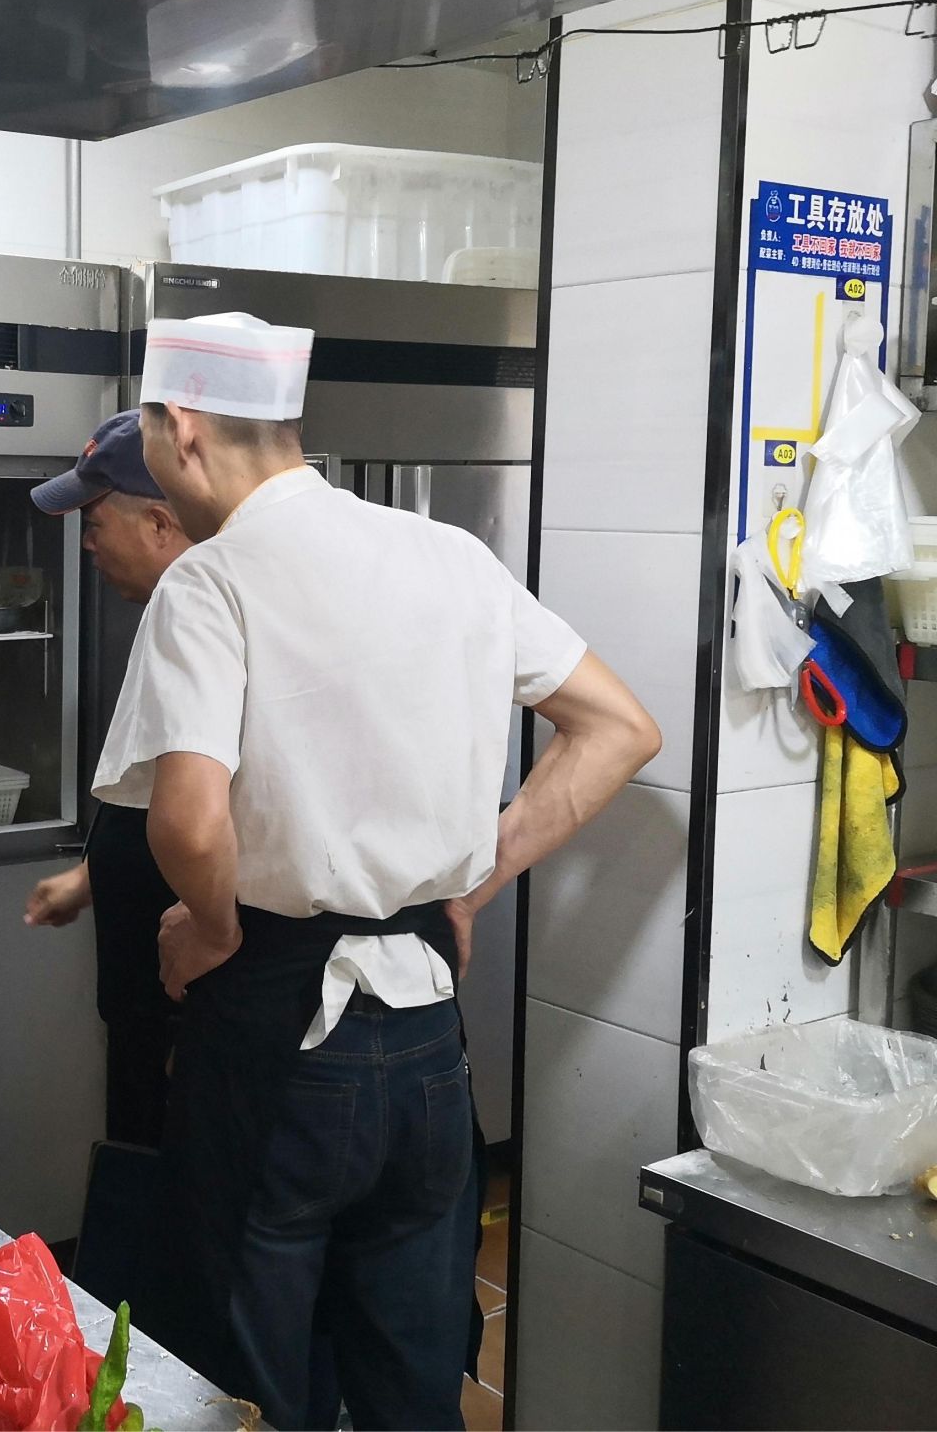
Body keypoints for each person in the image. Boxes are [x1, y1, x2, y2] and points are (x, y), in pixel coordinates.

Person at [94, 313, 661, 1430]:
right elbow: (618, 729)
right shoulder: (449, 555)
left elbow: (190, 824)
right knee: (413, 1379)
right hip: (426, 1048)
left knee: (252, 1383)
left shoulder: (211, 581)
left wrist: (209, 928)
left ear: (180, 428)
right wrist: (468, 885)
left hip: (274, 1033)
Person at [22, 411, 192, 1148]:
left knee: (165, 1178)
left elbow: (218, 817)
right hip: (144, 1000)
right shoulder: (168, 612)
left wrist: (211, 927)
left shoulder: (201, 614)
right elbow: (154, 796)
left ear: (158, 522)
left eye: (94, 524)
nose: (86, 544)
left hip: (182, 1001)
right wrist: (92, 877)